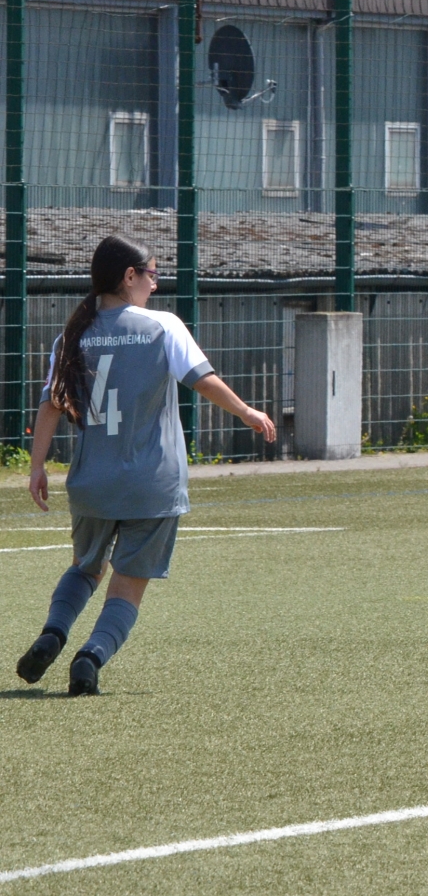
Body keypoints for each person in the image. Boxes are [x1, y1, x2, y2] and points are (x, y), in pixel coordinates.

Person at [14, 235, 277, 695]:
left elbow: (50, 404)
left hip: (92, 481)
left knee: (84, 568)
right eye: (152, 275)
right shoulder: (162, 325)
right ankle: (90, 657)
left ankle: (53, 632)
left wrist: (37, 467)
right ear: (129, 276)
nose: (155, 285)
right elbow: (202, 381)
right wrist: (245, 411)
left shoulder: (72, 334)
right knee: (128, 583)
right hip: (152, 483)